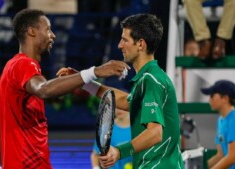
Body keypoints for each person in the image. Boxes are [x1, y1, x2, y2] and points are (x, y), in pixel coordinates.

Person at [0, 9, 130, 169]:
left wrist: (4, 166)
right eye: (48, 29)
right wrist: (95, 71)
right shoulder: (24, 64)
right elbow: (44, 89)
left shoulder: (12, 67)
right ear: (32, 31)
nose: (53, 35)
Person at [57, 14, 184, 168]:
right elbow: (123, 101)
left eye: (125, 40)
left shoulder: (151, 80)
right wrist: (82, 80)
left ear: (140, 45)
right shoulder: (149, 78)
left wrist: (118, 151)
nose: (119, 45)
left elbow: (155, 133)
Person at [201, 80, 235, 169]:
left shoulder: (234, 119)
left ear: (225, 99)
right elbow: (220, 155)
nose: (209, 100)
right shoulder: (220, 120)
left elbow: (232, 157)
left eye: (212, 96)